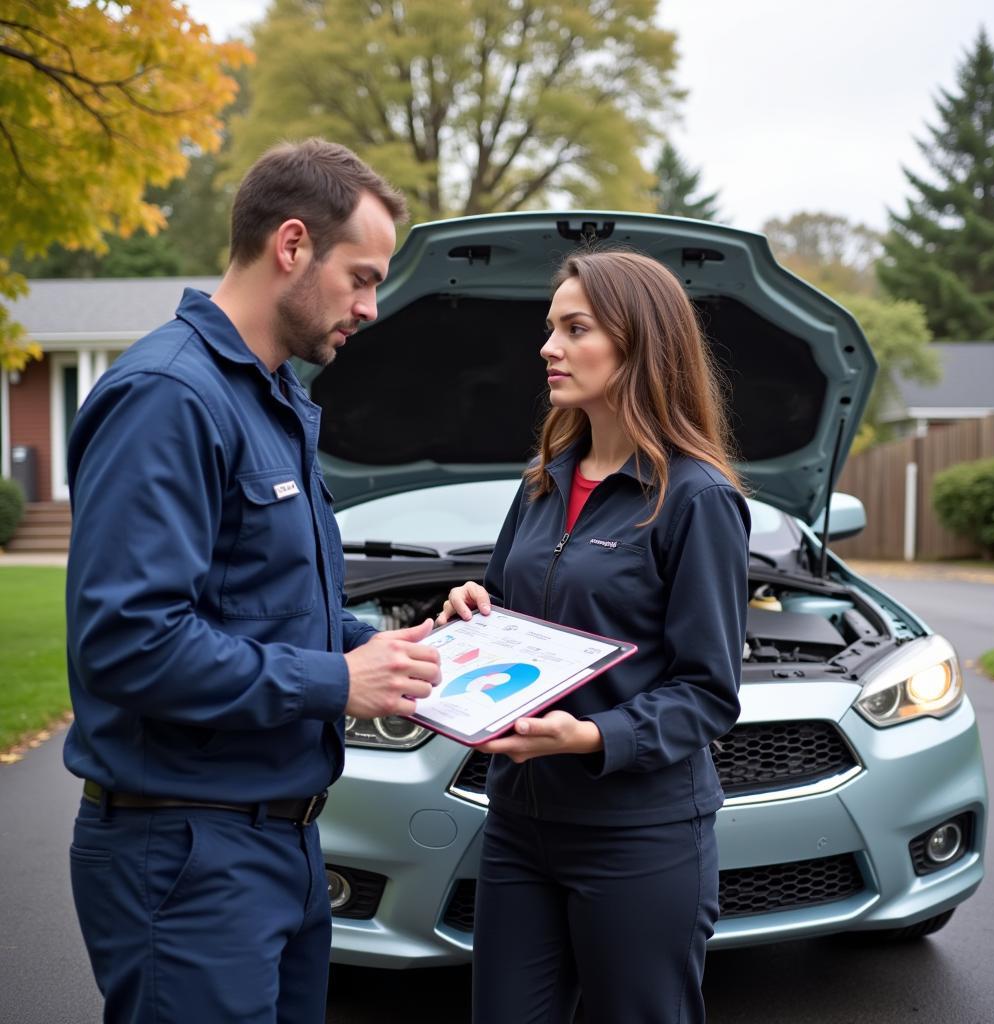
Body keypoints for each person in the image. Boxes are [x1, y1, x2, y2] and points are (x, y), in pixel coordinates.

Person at [63, 138, 442, 1023]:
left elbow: (262, 608)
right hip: (187, 852)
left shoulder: (270, 399)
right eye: (361, 277)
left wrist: (383, 652)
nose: (371, 307)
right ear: (293, 245)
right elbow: (130, 642)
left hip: (282, 844)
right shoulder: (170, 396)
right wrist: (337, 681)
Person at [436, 250, 751, 1024]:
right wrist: (476, 607)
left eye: (576, 329)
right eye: (551, 328)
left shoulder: (696, 499)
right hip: (518, 821)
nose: (548, 347)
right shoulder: (543, 478)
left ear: (641, 344)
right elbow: (517, 623)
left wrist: (591, 736)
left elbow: (708, 695)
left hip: (638, 837)